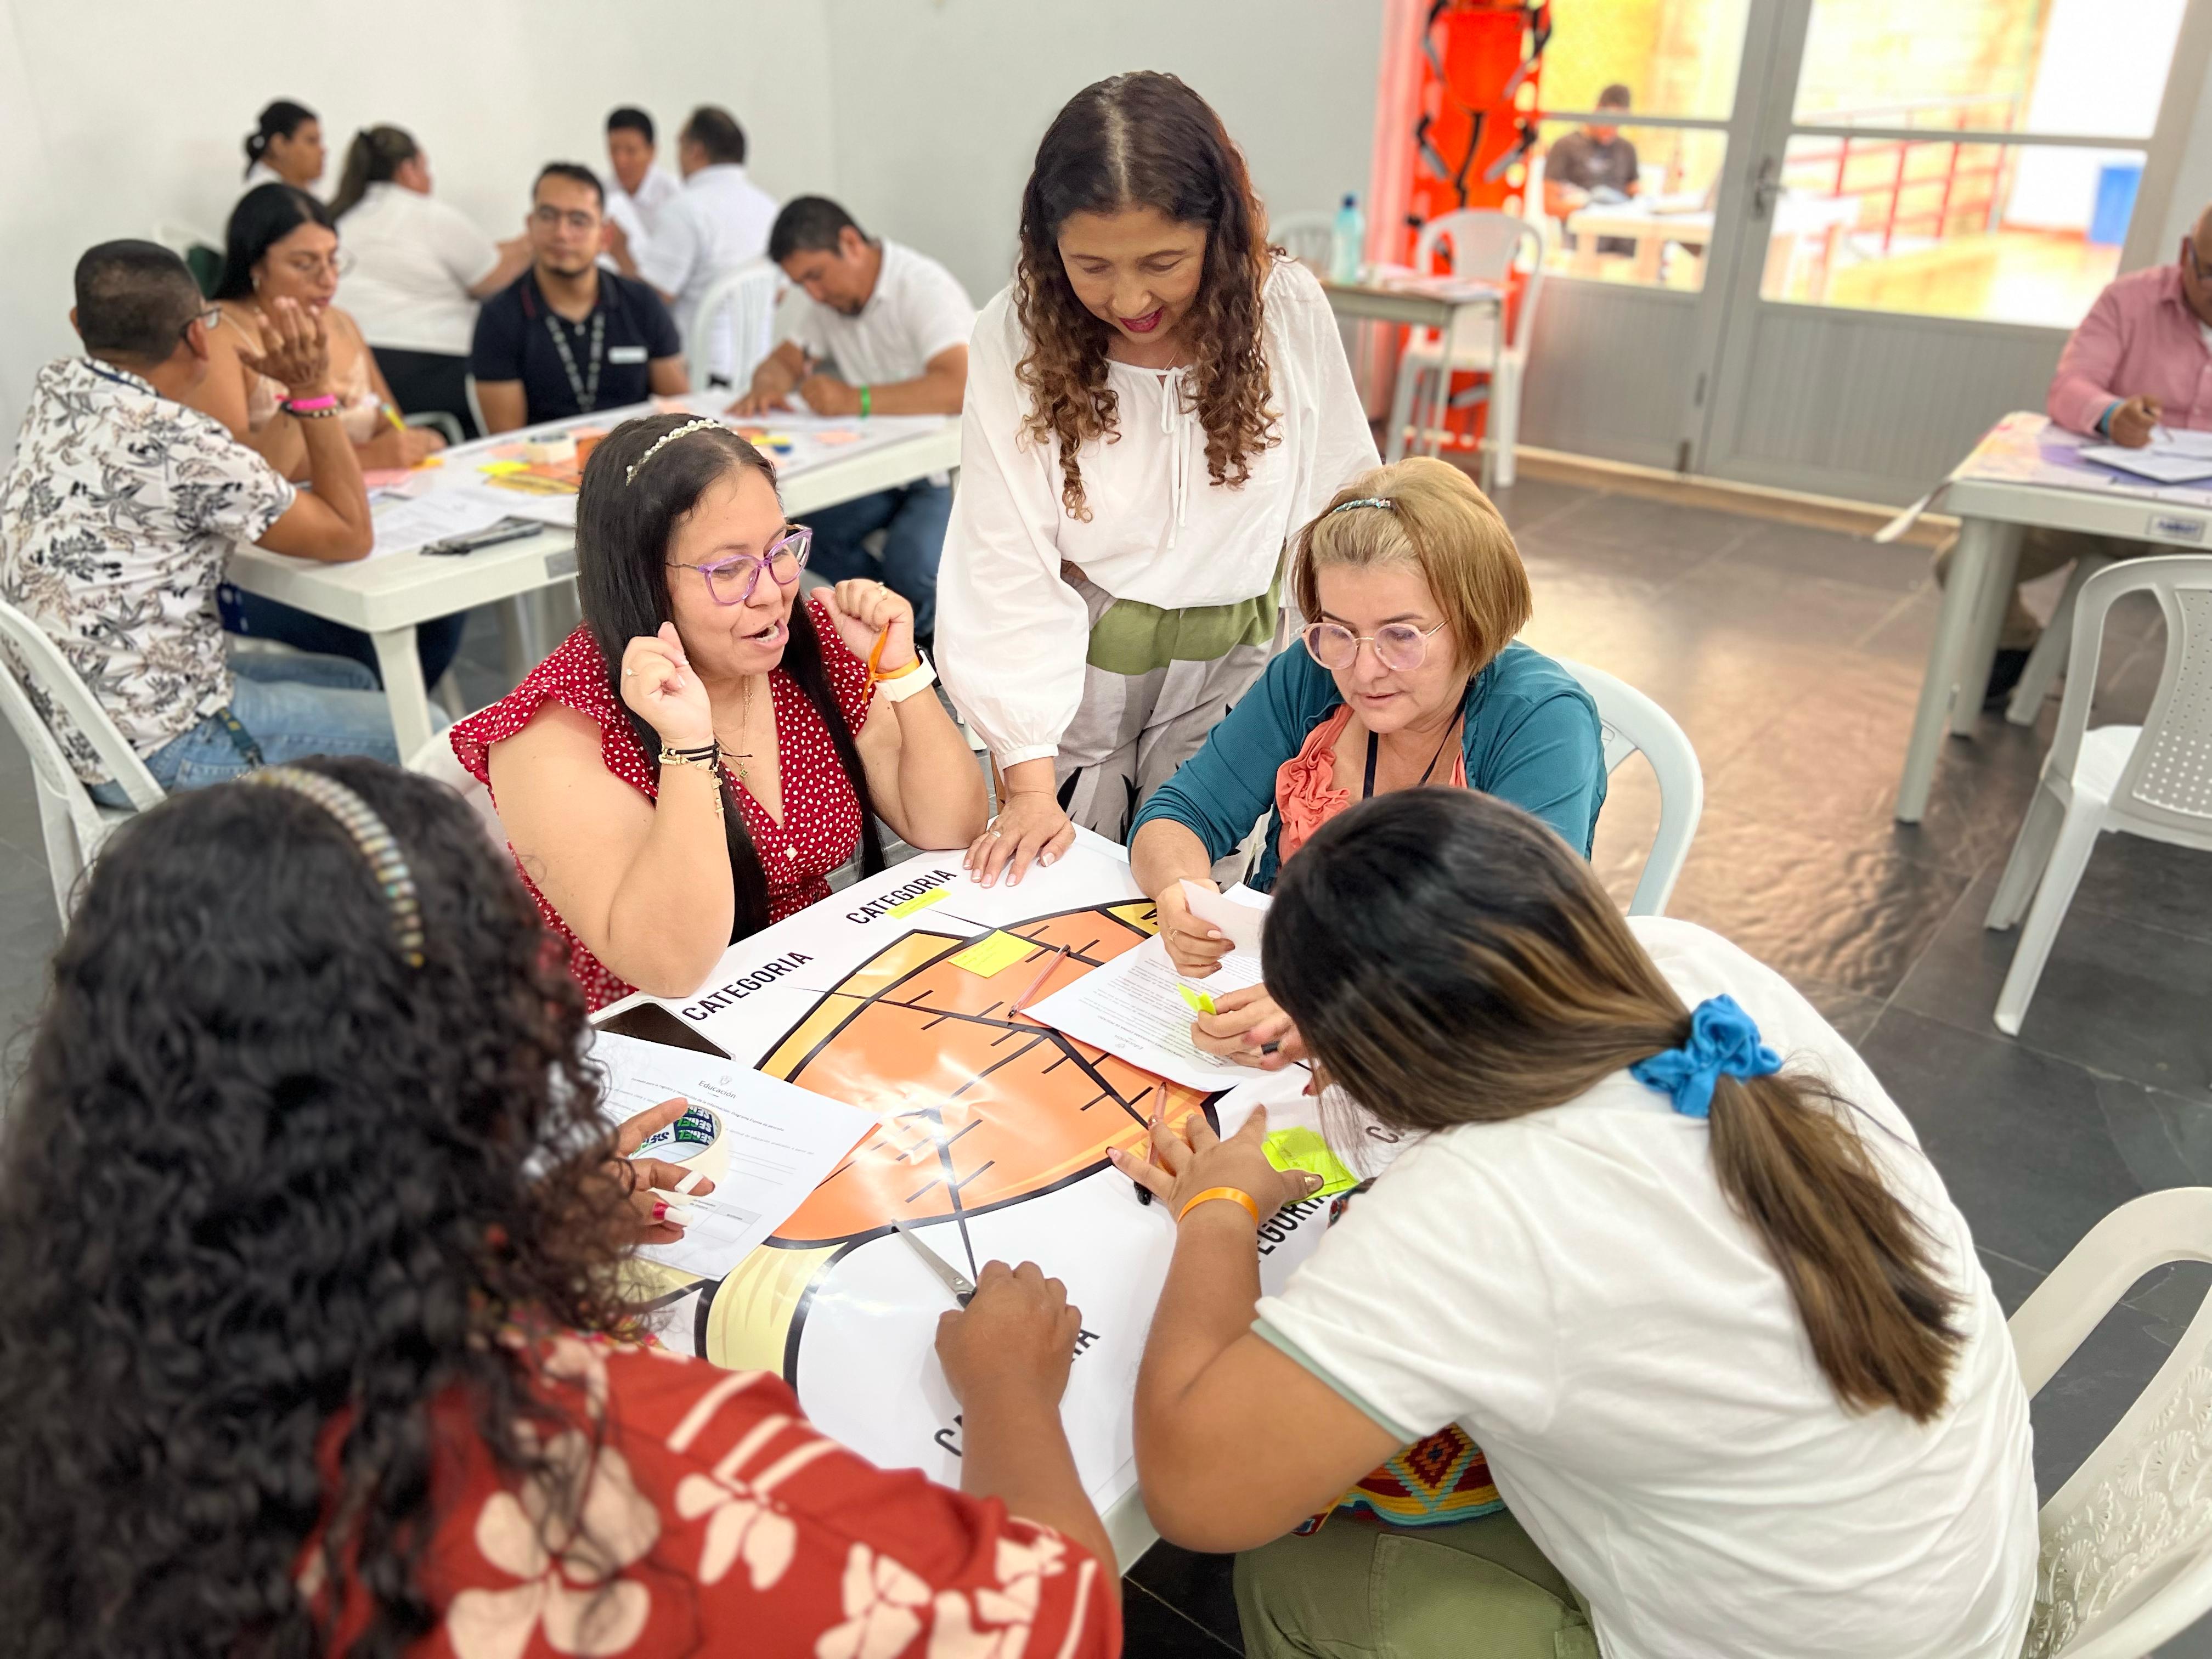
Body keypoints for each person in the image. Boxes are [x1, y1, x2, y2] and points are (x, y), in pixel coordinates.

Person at [0, 757, 1122, 1658]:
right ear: (484, 1076)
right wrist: (1012, 1393)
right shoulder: (620, 1469)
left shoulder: (65, 1351)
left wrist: (506, 1231)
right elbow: (1057, 1620)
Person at [1118, 787, 2038, 1659]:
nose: (1315, 1078)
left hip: (1798, 1632)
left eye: (1322, 1055)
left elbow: (1197, 1494)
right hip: (1935, 1580)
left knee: (1295, 1575)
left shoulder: (1483, 1204)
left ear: (1384, 1065)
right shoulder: (1684, 964)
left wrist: (1219, 1204)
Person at [941, 71, 1379, 887]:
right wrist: (1029, 784)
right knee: (1066, 889)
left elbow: (1340, 501)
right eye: (1092, 265)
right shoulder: (1018, 331)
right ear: (1049, 244)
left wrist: (1353, 679)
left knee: (1193, 895)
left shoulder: (1281, 309)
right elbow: (1002, 556)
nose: (1130, 297)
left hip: (1239, 656)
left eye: (1164, 261)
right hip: (1075, 666)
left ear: (1219, 233)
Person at [452, 413, 988, 1009]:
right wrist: (686, 747)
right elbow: (670, 966)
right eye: (729, 570)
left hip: (801, 995)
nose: (772, 590)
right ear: (642, 582)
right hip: (638, 1041)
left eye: (780, 548)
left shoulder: (807, 648)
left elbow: (952, 826)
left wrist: (902, 674)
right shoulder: (554, 733)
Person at [1130, 456, 1607, 1069]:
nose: (1363, 669)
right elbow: (1181, 812)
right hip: (1279, 1007)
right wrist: (1180, 891)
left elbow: (1526, 942)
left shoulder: (1540, 719)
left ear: (1474, 617)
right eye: (1338, 629)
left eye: (1401, 636)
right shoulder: (1311, 672)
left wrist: (1332, 1010)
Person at [0, 242, 417, 798]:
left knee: (358, 680)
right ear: (199, 336)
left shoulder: (59, 395)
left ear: (79, 325)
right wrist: (315, 389)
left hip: (85, 731)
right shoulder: (176, 439)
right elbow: (348, 535)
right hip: (163, 747)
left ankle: (327, 868)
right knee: (425, 728)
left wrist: (294, 393)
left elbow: (242, 479)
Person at [198, 182, 470, 690]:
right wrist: (370, 454)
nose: (327, 280)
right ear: (255, 263)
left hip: (376, 517)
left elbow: (393, 423)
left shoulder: (340, 324)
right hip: (273, 552)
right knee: (396, 624)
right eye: (305, 265)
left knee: (444, 600)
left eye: (333, 261)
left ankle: (398, 725)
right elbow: (237, 472)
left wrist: (414, 440)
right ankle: (383, 730)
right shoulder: (219, 336)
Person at [1939, 200, 2212, 705]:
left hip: (2198, 532)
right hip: (2099, 507)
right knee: (1960, 564)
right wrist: (2112, 416)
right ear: (2186, 254)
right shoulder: (2129, 300)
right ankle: (2017, 644)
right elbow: (2071, 385)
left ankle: (2192, 725)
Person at [732, 195, 974, 644]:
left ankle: (927, 652)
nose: (816, 294)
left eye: (816, 276)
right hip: (883, 471)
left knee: (914, 564)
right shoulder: (832, 305)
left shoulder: (921, 288)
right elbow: (784, 359)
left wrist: (855, 399)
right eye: (804, 284)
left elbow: (960, 384)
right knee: (798, 539)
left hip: (943, 471)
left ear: (851, 243)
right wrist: (770, 380)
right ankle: (898, 629)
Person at [330, 125, 531, 437]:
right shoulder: (427, 214)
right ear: (408, 168)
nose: (430, 178)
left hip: (352, 369)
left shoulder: (340, 218)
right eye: (426, 167)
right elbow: (492, 278)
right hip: (432, 367)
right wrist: (533, 243)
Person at [471, 164, 690, 434]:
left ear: (605, 236)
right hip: (544, 466)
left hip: (637, 462)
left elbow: (681, 414)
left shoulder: (641, 303)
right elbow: (507, 441)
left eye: (579, 221)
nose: (562, 233)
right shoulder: (499, 317)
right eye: (548, 216)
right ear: (530, 226)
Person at [673, 105, 778, 380]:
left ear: (695, 151)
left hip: (699, 372)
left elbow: (654, 296)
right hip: (757, 370)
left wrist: (621, 251)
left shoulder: (685, 208)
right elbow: (779, 293)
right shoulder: (769, 208)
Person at [1543, 83, 1640, 256]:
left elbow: (1637, 200)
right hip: (1583, 227)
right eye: (1609, 121)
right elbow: (1550, 205)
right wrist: (1587, 205)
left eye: (1618, 125)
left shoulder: (1627, 150)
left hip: (1621, 229)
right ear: (1597, 110)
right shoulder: (1565, 146)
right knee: (1598, 195)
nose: (1611, 130)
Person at [601, 105, 684, 279]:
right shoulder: (601, 192)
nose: (620, 161)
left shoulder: (676, 195)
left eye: (631, 151)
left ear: (652, 151)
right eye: (614, 150)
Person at [240, 98, 323, 194]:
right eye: (311, 141)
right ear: (279, 145)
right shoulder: (266, 199)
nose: (322, 150)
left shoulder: (296, 194)